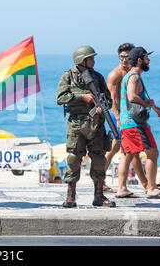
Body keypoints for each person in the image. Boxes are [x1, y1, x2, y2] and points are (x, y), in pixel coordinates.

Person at [56, 45, 116, 208]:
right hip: (76, 124)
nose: (94, 61)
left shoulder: (98, 77)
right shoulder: (68, 77)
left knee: (99, 159)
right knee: (74, 159)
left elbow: (108, 100)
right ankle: (70, 196)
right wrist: (82, 97)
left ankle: (99, 196)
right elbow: (61, 98)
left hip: (97, 124)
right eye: (91, 58)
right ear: (82, 60)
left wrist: (101, 107)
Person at [118, 47, 160, 198]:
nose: (149, 61)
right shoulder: (134, 77)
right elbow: (132, 97)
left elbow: (139, 98)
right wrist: (148, 105)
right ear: (140, 60)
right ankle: (152, 188)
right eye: (147, 58)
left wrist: (155, 109)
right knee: (153, 153)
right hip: (135, 124)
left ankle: (122, 189)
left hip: (126, 122)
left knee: (127, 155)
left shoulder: (129, 76)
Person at [104, 43, 149, 195]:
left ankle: (146, 184)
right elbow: (112, 101)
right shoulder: (115, 74)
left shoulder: (132, 73)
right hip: (117, 115)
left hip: (129, 116)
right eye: (121, 57)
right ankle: (101, 181)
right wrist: (117, 119)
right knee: (125, 150)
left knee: (123, 149)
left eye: (127, 57)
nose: (124, 60)